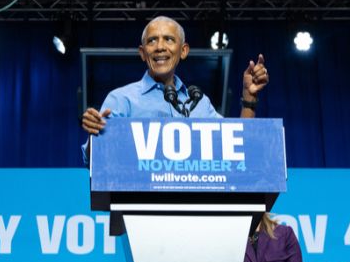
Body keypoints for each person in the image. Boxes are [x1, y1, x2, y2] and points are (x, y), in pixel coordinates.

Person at [80, 15, 268, 164]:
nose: (160, 47)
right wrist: (94, 133)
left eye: (168, 39)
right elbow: (94, 160)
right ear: (143, 53)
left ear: (183, 50)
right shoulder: (121, 99)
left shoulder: (200, 104)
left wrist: (249, 98)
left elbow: (237, 148)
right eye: (152, 41)